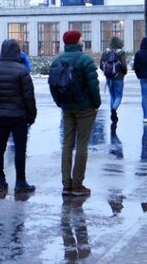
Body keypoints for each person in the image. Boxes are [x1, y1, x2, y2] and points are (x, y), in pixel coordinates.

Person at [50, 30, 101, 197]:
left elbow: (53, 85)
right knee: (82, 145)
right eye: (81, 38)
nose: (83, 41)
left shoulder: (56, 62)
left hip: (67, 107)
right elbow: (93, 86)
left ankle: (66, 184)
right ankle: (78, 185)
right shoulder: (85, 60)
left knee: (67, 144)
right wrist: (96, 104)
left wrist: (60, 103)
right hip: (85, 107)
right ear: (76, 42)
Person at [0, 39, 37, 193]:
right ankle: (20, 182)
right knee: (20, 149)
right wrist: (31, 116)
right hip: (19, 116)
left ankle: (0, 182)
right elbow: (29, 97)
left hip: (1, 114)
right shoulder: (22, 71)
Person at [102, 37, 127, 123]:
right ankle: (114, 109)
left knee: (112, 96)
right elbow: (124, 66)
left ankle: (112, 112)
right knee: (118, 96)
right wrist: (124, 73)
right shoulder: (121, 53)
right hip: (119, 77)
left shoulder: (106, 52)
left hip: (109, 77)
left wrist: (107, 72)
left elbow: (101, 65)